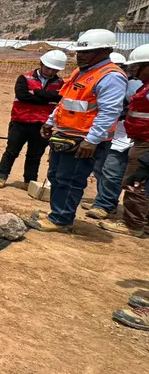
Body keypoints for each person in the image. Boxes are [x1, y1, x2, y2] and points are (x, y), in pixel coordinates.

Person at [29, 29, 127, 233]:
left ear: (105, 51)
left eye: (87, 52)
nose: (80, 55)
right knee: (56, 175)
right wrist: (50, 121)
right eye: (79, 52)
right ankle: (57, 212)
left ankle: (62, 219)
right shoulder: (81, 72)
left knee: (70, 179)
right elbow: (66, 102)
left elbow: (109, 112)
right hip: (65, 133)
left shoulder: (110, 77)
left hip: (83, 139)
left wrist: (92, 140)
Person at [0, 50, 66, 189]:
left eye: (54, 70)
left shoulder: (61, 83)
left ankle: (29, 181)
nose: (50, 72)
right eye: (48, 68)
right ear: (41, 64)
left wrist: (37, 92)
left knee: (35, 154)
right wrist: (47, 97)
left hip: (43, 124)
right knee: (11, 151)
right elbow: (22, 96)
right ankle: (1, 176)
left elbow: (60, 98)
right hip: (21, 121)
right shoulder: (24, 79)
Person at [96, 45, 149, 235]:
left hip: (145, 144)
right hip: (139, 140)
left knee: (137, 183)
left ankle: (132, 225)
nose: (133, 72)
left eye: (138, 67)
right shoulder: (145, 87)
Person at [86, 52, 141, 220]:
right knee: (100, 168)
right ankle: (103, 201)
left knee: (112, 171)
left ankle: (105, 205)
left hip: (124, 137)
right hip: (109, 134)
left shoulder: (132, 86)